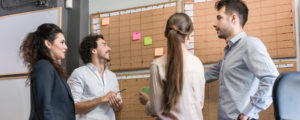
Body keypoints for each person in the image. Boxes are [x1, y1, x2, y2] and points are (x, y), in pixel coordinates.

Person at [205, 0, 279, 119]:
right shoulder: (230, 52)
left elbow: (272, 79)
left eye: (219, 18)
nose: (215, 24)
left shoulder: (250, 44)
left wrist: (246, 113)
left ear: (233, 18)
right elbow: (207, 75)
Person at [138, 13, 206, 120]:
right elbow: (200, 104)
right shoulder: (197, 63)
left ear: (165, 34)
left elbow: (156, 109)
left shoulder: (157, 65)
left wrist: (147, 102)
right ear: (188, 36)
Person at [19, 23, 75, 120]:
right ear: (48, 44)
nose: (66, 47)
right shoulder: (43, 66)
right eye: (62, 42)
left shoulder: (52, 68)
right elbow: (45, 107)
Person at [67, 34, 123, 120]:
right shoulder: (79, 73)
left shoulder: (112, 76)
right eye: (104, 45)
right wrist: (101, 99)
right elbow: (73, 108)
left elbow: (119, 108)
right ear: (93, 50)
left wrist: (118, 105)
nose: (109, 49)